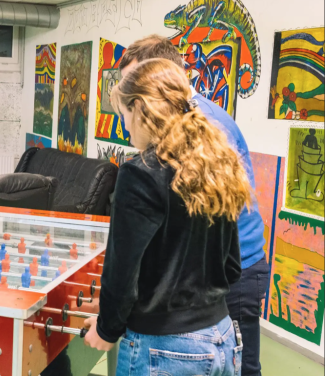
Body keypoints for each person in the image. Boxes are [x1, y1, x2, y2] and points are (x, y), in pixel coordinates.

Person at [83, 58, 250, 376]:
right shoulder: (217, 163)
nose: (125, 126)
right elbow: (231, 266)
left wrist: (107, 330)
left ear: (140, 108)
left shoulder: (140, 172)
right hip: (222, 334)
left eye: (125, 115)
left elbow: (123, 271)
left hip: (165, 348)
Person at [115, 35, 269, 376]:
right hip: (218, 268)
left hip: (232, 266)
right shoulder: (183, 126)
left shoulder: (201, 125)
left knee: (246, 369)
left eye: (136, 83)